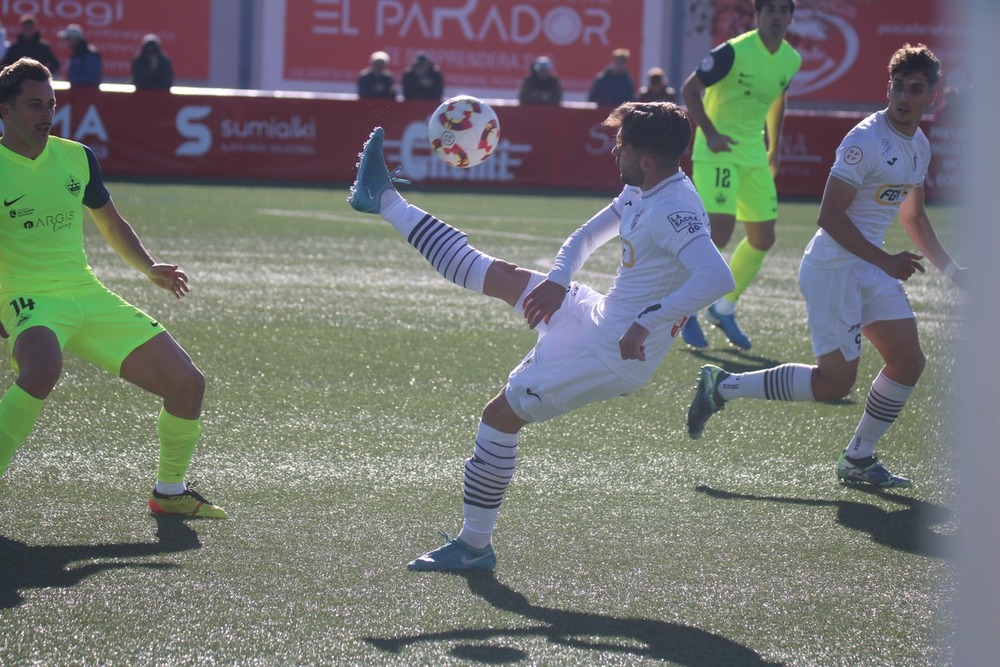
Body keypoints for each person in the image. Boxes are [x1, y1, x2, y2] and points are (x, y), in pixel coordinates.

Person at [347, 103, 734, 571]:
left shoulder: (673, 208)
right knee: (502, 275)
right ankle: (384, 199)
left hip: (609, 353)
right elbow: (586, 236)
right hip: (598, 315)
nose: (615, 151)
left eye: (622, 144)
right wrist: (557, 278)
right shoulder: (644, 188)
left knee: (498, 418)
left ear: (647, 158)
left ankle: (473, 547)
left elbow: (716, 277)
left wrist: (647, 322)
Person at [687, 43, 968, 488]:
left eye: (916, 89)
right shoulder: (863, 140)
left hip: (871, 265)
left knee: (908, 361)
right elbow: (829, 217)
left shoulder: (919, 146)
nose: (904, 97)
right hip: (834, 266)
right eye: (898, 86)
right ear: (888, 87)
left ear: (931, 96)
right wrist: (886, 261)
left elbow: (912, 216)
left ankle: (858, 458)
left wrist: (954, 272)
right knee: (834, 383)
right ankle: (722, 386)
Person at [0, 58, 225, 517]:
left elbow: (110, 222)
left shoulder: (77, 157)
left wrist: (148, 268)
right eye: (33, 105)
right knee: (42, 366)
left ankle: (169, 492)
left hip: (85, 294)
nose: (46, 114)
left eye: (51, 104)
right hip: (26, 297)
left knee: (188, 384)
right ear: (4, 110)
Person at [679, 0, 801, 351]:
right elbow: (689, 90)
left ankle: (725, 307)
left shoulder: (791, 59)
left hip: (753, 154)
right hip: (717, 152)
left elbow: (779, 98)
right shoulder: (732, 52)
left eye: (783, 11)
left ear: (791, 17)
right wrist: (711, 133)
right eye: (770, 10)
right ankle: (686, 310)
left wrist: (774, 147)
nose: (777, 17)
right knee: (718, 233)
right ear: (757, 15)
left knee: (763, 238)